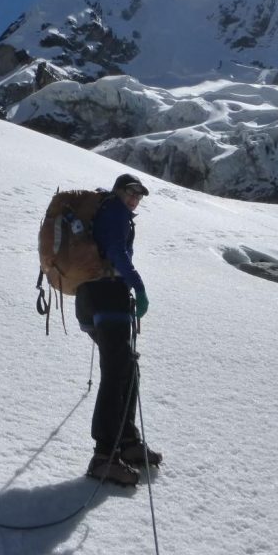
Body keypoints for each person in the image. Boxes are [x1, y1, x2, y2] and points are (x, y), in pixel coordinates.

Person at [75, 173, 163, 486]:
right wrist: (138, 286)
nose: (134, 198)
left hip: (105, 298)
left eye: (139, 195)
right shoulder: (113, 212)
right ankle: (104, 455)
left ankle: (126, 441)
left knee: (127, 369)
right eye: (131, 192)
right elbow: (115, 250)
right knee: (116, 372)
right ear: (117, 191)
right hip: (105, 297)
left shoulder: (117, 213)